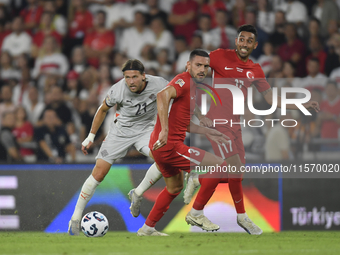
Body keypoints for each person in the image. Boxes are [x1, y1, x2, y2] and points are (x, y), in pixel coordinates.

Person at [184, 25, 320, 235]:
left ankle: (199, 181)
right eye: (241, 39)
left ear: (255, 45)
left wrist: (300, 104)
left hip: (236, 125)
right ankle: (230, 216)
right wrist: (193, 103)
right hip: (218, 123)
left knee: (236, 174)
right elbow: (195, 68)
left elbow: (270, 99)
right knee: (233, 169)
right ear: (236, 41)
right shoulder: (219, 56)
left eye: (249, 41)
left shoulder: (255, 70)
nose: (244, 43)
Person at [68, 59, 169, 236]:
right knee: (99, 172)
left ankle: (137, 193)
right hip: (120, 133)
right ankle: (75, 219)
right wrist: (90, 136)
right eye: (127, 77)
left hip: (146, 130)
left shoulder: (159, 84)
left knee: (164, 160)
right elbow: (102, 110)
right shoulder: (117, 89)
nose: (131, 81)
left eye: (135, 77)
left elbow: (178, 96)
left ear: (144, 76)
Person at [136, 49, 230, 236]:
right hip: (169, 146)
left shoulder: (194, 87)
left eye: (205, 66)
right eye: (198, 65)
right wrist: (164, 130)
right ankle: (196, 209)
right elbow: (162, 96)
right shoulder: (184, 80)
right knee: (224, 168)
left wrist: (207, 130)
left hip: (162, 147)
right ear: (188, 65)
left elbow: (183, 125)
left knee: (174, 188)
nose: (202, 69)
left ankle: (147, 228)